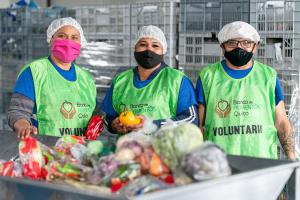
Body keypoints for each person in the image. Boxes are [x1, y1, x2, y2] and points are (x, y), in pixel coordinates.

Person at [196, 21, 296, 160]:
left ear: (255, 47)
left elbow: (281, 123)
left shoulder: (268, 76)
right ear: (222, 46)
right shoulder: (208, 76)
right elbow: (198, 127)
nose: (239, 48)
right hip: (219, 165)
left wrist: (292, 158)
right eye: (232, 43)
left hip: (262, 164)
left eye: (246, 43)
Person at [7, 17, 98, 139]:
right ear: (51, 40)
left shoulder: (86, 78)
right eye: (62, 36)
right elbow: (17, 112)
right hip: (45, 150)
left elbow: (94, 117)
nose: (68, 42)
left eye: (74, 37)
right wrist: (24, 126)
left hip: (78, 151)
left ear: (80, 43)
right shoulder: (35, 71)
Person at [101, 25, 198, 134]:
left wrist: (153, 125)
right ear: (135, 48)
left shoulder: (177, 80)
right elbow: (108, 118)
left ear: (163, 50)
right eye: (143, 44)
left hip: (163, 149)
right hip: (128, 149)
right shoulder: (120, 81)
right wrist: (113, 125)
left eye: (155, 45)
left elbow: (191, 119)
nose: (149, 50)